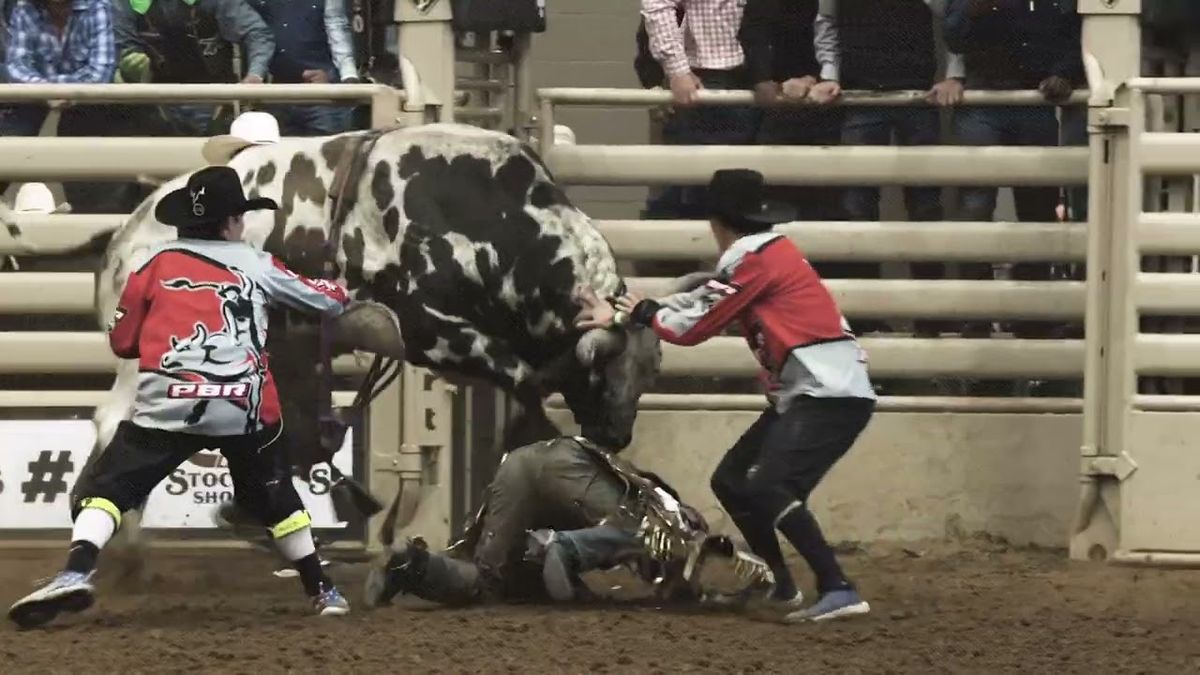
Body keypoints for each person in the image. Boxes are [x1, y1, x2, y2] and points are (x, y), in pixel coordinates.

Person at [7, 166, 355, 629]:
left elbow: (122, 342)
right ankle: (323, 591)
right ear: (232, 221)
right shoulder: (257, 262)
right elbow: (327, 301)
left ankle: (75, 571)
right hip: (244, 406)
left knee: (108, 489)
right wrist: (339, 286)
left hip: (168, 404)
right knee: (276, 495)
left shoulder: (150, 265)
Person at [576, 169, 877, 623]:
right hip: (816, 392)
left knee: (767, 485)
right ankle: (783, 586)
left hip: (826, 393)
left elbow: (694, 324)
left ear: (716, 222)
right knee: (734, 481)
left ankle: (838, 586)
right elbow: (697, 301)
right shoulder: (766, 255)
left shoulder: (752, 259)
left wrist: (631, 311)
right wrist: (625, 311)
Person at [364, 434, 774, 609]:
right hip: (570, 469)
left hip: (523, 463)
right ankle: (563, 551)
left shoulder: (628, 501)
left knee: (491, 580)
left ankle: (409, 566)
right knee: (640, 535)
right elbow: (681, 536)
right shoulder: (649, 510)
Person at [111, 0, 275, 136]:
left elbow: (257, 33)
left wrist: (255, 73)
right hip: (157, 103)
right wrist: (134, 67)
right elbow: (123, 50)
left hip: (216, 99)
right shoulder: (126, 4)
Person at [245, 0, 359, 136]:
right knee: (278, 152)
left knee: (330, 152)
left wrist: (347, 77)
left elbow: (338, 29)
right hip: (279, 93)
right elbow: (254, 33)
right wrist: (256, 74)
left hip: (322, 94)